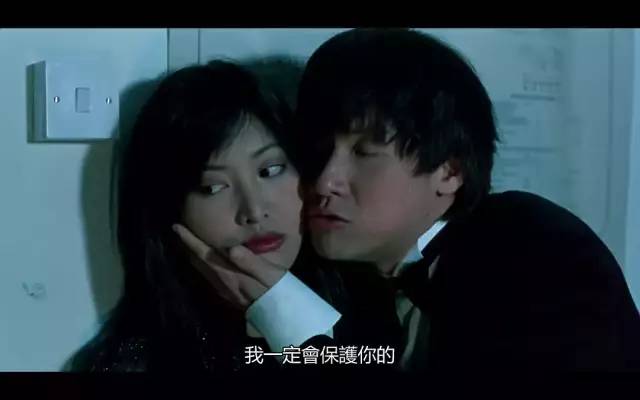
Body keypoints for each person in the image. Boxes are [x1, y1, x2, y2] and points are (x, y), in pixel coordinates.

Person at [181, 28, 640, 371]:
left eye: (365, 153)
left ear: (449, 172)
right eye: (320, 150)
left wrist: (295, 329)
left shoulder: (534, 250)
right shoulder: (360, 280)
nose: (324, 181)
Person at [70, 59, 341, 372]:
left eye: (270, 171)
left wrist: (287, 313)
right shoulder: (135, 362)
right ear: (170, 211)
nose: (253, 211)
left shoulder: (365, 309)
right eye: (213, 188)